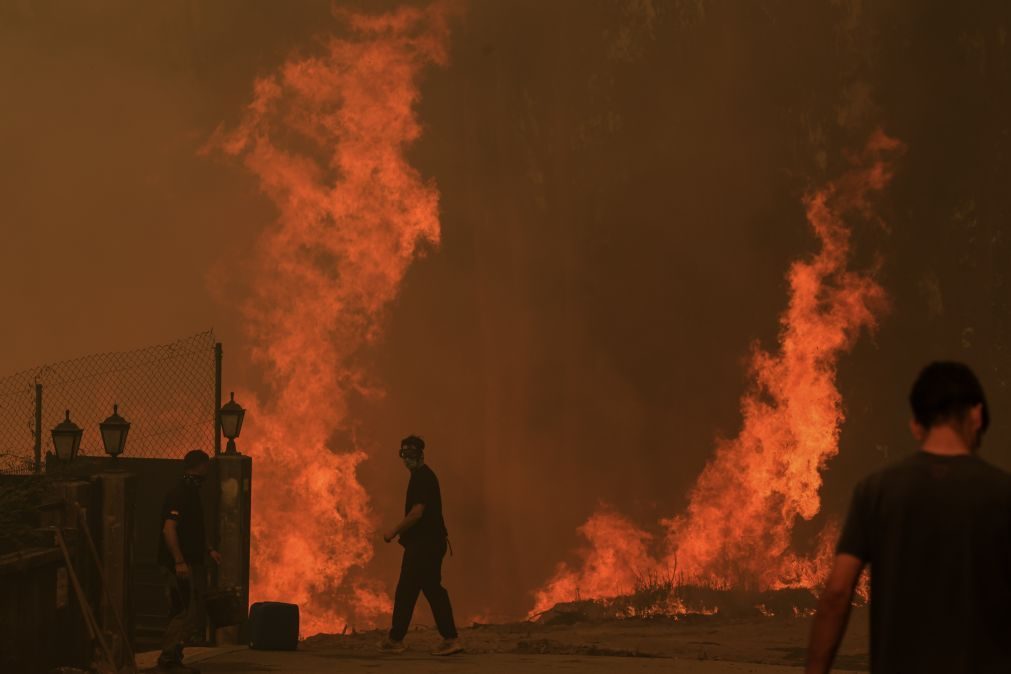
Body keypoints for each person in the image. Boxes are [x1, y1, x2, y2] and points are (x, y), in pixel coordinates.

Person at [806, 361, 1011, 673]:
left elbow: (837, 592)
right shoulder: (1002, 493)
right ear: (977, 416)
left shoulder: (876, 491)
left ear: (915, 425)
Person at [379, 435, 463, 656]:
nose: (407, 460)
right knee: (414, 590)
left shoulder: (423, 478)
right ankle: (397, 638)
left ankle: (449, 639)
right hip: (426, 545)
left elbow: (417, 513)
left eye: (412, 456)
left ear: (421, 455)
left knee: (424, 590)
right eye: (404, 456)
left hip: (425, 546)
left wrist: (394, 531)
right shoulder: (419, 476)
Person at [156, 449, 222, 673]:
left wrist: (209, 549)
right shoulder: (179, 494)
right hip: (179, 566)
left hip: (192, 563)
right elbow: (169, 529)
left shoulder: (192, 495)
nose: (206, 474)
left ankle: (175, 656)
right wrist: (179, 561)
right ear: (198, 467)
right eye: (205, 468)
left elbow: (194, 528)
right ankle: (168, 660)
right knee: (181, 610)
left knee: (190, 611)